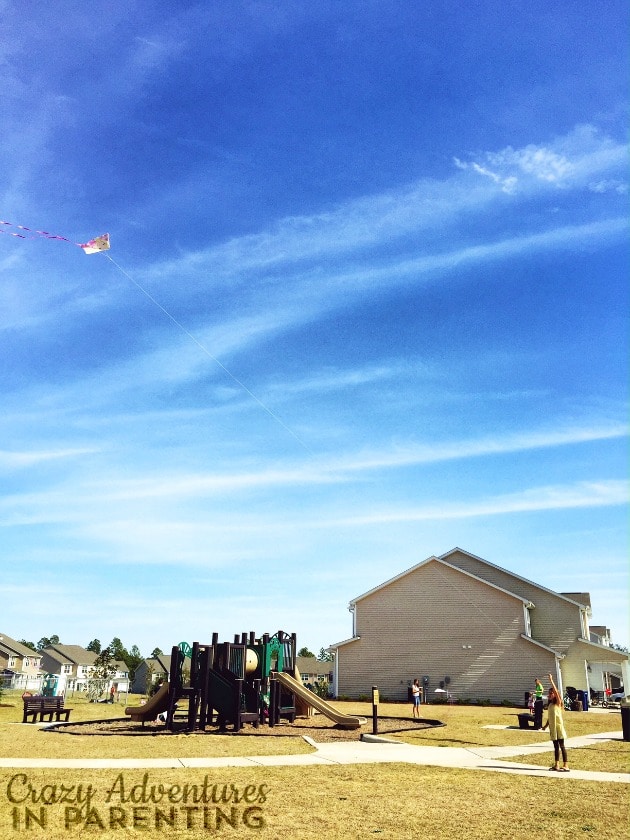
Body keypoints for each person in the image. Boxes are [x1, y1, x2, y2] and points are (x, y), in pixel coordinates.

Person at [543, 672, 569, 771]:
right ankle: (556, 765)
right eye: (549, 693)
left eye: (551, 693)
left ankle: (566, 765)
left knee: (562, 746)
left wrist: (551, 680)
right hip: (552, 728)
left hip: (559, 727)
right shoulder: (550, 705)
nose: (549, 695)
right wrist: (545, 726)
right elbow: (550, 718)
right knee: (555, 747)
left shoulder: (558, 703)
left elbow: (557, 693)